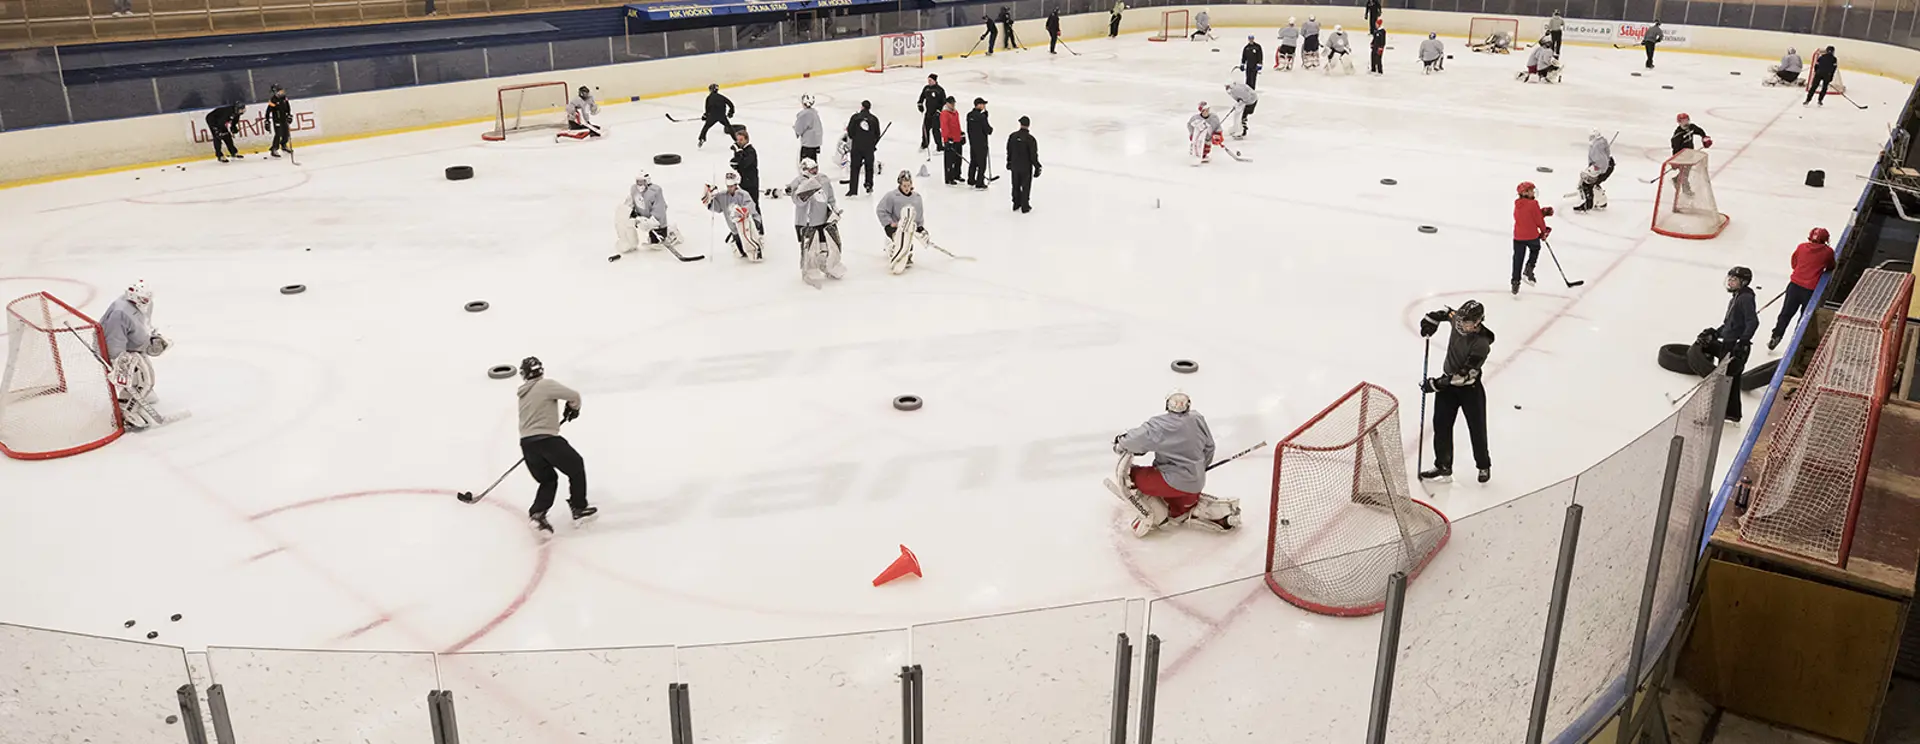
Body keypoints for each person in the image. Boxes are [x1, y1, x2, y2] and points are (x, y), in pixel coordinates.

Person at [1110, 392, 1240, 536]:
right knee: (1177, 512)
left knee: (1131, 476)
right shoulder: (1197, 419)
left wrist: (1120, 443)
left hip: (1171, 483)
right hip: (1195, 485)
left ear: (1167, 405)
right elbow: (1210, 447)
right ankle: (1183, 508)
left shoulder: (1160, 425)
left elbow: (1133, 441)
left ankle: (1152, 514)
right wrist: (1199, 469)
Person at [514, 356, 594, 538]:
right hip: (547, 440)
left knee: (548, 479)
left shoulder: (523, 394)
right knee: (576, 466)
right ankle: (579, 507)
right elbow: (574, 396)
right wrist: (573, 408)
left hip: (527, 444)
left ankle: (538, 514)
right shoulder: (545, 385)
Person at [1418, 301, 1494, 483]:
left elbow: (1464, 376)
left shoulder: (1481, 343)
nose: (1460, 325)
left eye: (1466, 322)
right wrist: (1431, 320)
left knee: (1477, 429)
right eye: (1460, 320)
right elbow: (1446, 313)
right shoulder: (1458, 320)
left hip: (1470, 390)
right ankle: (1443, 465)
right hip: (1447, 388)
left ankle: (1483, 465)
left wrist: (1437, 384)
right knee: (1441, 426)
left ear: (1478, 322)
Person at [100, 280, 169, 430]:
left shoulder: (145, 305)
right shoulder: (120, 313)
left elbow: (144, 325)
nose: (146, 302)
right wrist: (118, 363)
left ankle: (139, 398)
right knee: (139, 378)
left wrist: (152, 339)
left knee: (148, 377)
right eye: (143, 299)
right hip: (121, 351)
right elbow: (113, 341)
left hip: (133, 347)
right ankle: (125, 409)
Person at [1768, 228, 1837, 351]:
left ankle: (1776, 335)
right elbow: (1831, 266)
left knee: (1785, 313)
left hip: (1794, 286)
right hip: (1810, 290)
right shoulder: (1828, 252)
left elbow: (1794, 263)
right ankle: (1795, 341)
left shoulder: (1801, 247)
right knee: (1803, 317)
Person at [785, 158, 845, 287]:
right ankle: (810, 270)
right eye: (812, 169)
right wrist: (805, 191)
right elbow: (798, 201)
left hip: (823, 220)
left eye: (816, 168)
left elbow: (830, 197)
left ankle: (829, 266)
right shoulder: (798, 182)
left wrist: (834, 208)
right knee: (810, 249)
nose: (815, 171)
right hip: (806, 222)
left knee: (828, 246)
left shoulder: (823, 179)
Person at [1713, 267, 1760, 423]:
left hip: (1735, 346)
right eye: (1730, 278)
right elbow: (1731, 324)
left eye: (1734, 280)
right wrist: (1716, 333)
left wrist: (1743, 341)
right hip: (1729, 342)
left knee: (1727, 380)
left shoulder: (1745, 299)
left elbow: (1753, 322)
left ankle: (1724, 412)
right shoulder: (1737, 297)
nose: (1730, 282)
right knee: (1729, 380)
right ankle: (1730, 412)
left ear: (1743, 282)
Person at [611, 171, 682, 260]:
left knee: (656, 244)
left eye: (642, 182)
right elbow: (630, 202)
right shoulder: (634, 189)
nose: (639, 184)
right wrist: (631, 214)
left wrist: (650, 223)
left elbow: (659, 210)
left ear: (647, 181)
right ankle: (628, 242)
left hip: (653, 220)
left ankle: (672, 233)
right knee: (622, 213)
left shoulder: (655, 192)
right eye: (638, 181)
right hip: (640, 217)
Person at [703, 172, 764, 261]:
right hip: (735, 229)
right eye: (728, 186)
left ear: (736, 185)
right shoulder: (722, 196)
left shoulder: (743, 194)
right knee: (740, 252)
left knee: (747, 236)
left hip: (751, 223)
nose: (730, 188)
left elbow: (750, 207)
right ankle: (741, 244)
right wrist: (709, 198)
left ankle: (756, 250)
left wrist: (741, 212)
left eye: (732, 186)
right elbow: (716, 207)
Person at [877, 170, 929, 273]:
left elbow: (919, 215)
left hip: (908, 229)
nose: (907, 188)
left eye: (909, 185)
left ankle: (907, 252)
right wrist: (889, 223)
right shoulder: (891, 196)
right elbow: (881, 210)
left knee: (907, 241)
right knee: (898, 239)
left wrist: (920, 228)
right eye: (904, 186)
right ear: (900, 184)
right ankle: (892, 248)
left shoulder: (917, 198)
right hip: (894, 228)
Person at [1512, 181, 1552, 294]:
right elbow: (1538, 220)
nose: (1533, 192)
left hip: (1518, 236)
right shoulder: (1533, 203)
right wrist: (1544, 231)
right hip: (1531, 236)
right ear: (1525, 192)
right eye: (1531, 191)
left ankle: (1515, 282)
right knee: (1535, 249)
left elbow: (1527, 216)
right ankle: (1529, 269)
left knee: (1517, 259)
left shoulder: (1517, 204)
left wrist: (1542, 212)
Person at [1670, 113, 1712, 195]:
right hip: (1682, 156)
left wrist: (1704, 138)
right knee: (1685, 173)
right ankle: (1686, 190)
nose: (1685, 123)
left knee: (1686, 171)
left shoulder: (1691, 127)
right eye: (1683, 121)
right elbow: (1675, 149)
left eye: (1686, 120)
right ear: (1679, 122)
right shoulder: (1678, 135)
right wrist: (1675, 160)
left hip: (1690, 153)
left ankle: (1676, 179)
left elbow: (1700, 131)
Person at [846, 100, 881, 196]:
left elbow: (850, 132)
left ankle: (853, 189)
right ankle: (869, 184)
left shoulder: (855, 117)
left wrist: (856, 138)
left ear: (862, 107)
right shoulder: (874, 119)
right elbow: (877, 134)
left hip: (857, 147)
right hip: (869, 148)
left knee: (854, 168)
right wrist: (872, 143)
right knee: (869, 167)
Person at [1006, 116, 1040, 213]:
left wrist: (1009, 162)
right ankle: (1025, 205)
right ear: (1029, 125)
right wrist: (1037, 166)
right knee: (1026, 186)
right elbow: (1033, 155)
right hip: (1026, 166)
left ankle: (1016, 203)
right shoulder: (1030, 139)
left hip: (1015, 165)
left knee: (1015, 184)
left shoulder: (1012, 136)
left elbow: (1009, 150)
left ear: (1020, 124)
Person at [1575, 129, 1614, 212]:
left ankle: (1588, 204)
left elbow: (1602, 162)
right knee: (1590, 182)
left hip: (1604, 168)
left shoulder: (1597, 146)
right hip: (1606, 166)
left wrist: (1595, 171)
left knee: (1587, 184)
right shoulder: (1598, 144)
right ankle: (1601, 201)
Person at [965, 97, 993, 189]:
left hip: (973, 142)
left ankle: (971, 179)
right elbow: (988, 130)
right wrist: (986, 118)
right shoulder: (981, 117)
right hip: (981, 143)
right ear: (979, 105)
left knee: (973, 161)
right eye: (983, 104)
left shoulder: (969, 115)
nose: (984, 106)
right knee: (982, 164)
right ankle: (979, 182)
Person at [730, 127, 761, 208]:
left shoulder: (750, 151)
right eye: (737, 140)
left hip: (751, 183)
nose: (739, 142)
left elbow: (744, 163)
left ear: (746, 140)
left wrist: (739, 152)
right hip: (742, 182)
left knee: (753, 205)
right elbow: (735, 163)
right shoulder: (741, 151)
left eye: (741, 140)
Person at [916, 74, 946, 152]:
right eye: (928, 80)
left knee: (935, 130)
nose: (929, 82)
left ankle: (939, 146)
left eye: (930, 80)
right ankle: (925, 144)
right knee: (925, 128)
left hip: (936, 114)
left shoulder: (940, 90)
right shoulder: (926, 88)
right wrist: (920, 104)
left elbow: (943, 102)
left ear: (934, 81)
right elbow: (921, 97)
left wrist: (939, 111)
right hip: (928, 113)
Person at [940, 97, 964, 185]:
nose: (953, 105)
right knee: (950, 160)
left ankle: (957, 174)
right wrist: (947, 139)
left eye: (953, 103)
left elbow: (957, 125)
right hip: (950, 140)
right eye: (951, 103)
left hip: (957, 138)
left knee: (958, 159)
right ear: (947, 103)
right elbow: (944, 127)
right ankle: (949, 177)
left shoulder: (955, 112)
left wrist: (961, 134)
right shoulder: (944, 113)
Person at [794, 94, 823, 166]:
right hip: (814, 143)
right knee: (813, 162)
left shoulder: (805, 114)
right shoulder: (814, 113)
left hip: (808, 144)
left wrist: (796, 130)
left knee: (806, 164)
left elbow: (799, 129)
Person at [264, 85, 293, 158]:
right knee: (278, 134)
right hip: (277, 120)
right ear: (276, 92)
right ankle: (274, 149)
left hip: (284, 118)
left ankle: (283, 145)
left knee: (286, 133)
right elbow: (268, 111)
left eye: (282, 91)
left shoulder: (284, 98)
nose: (282, 92)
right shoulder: (273, 100)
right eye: (280, 91)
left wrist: (289, 115)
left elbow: (288, 107)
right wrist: (267, 120)